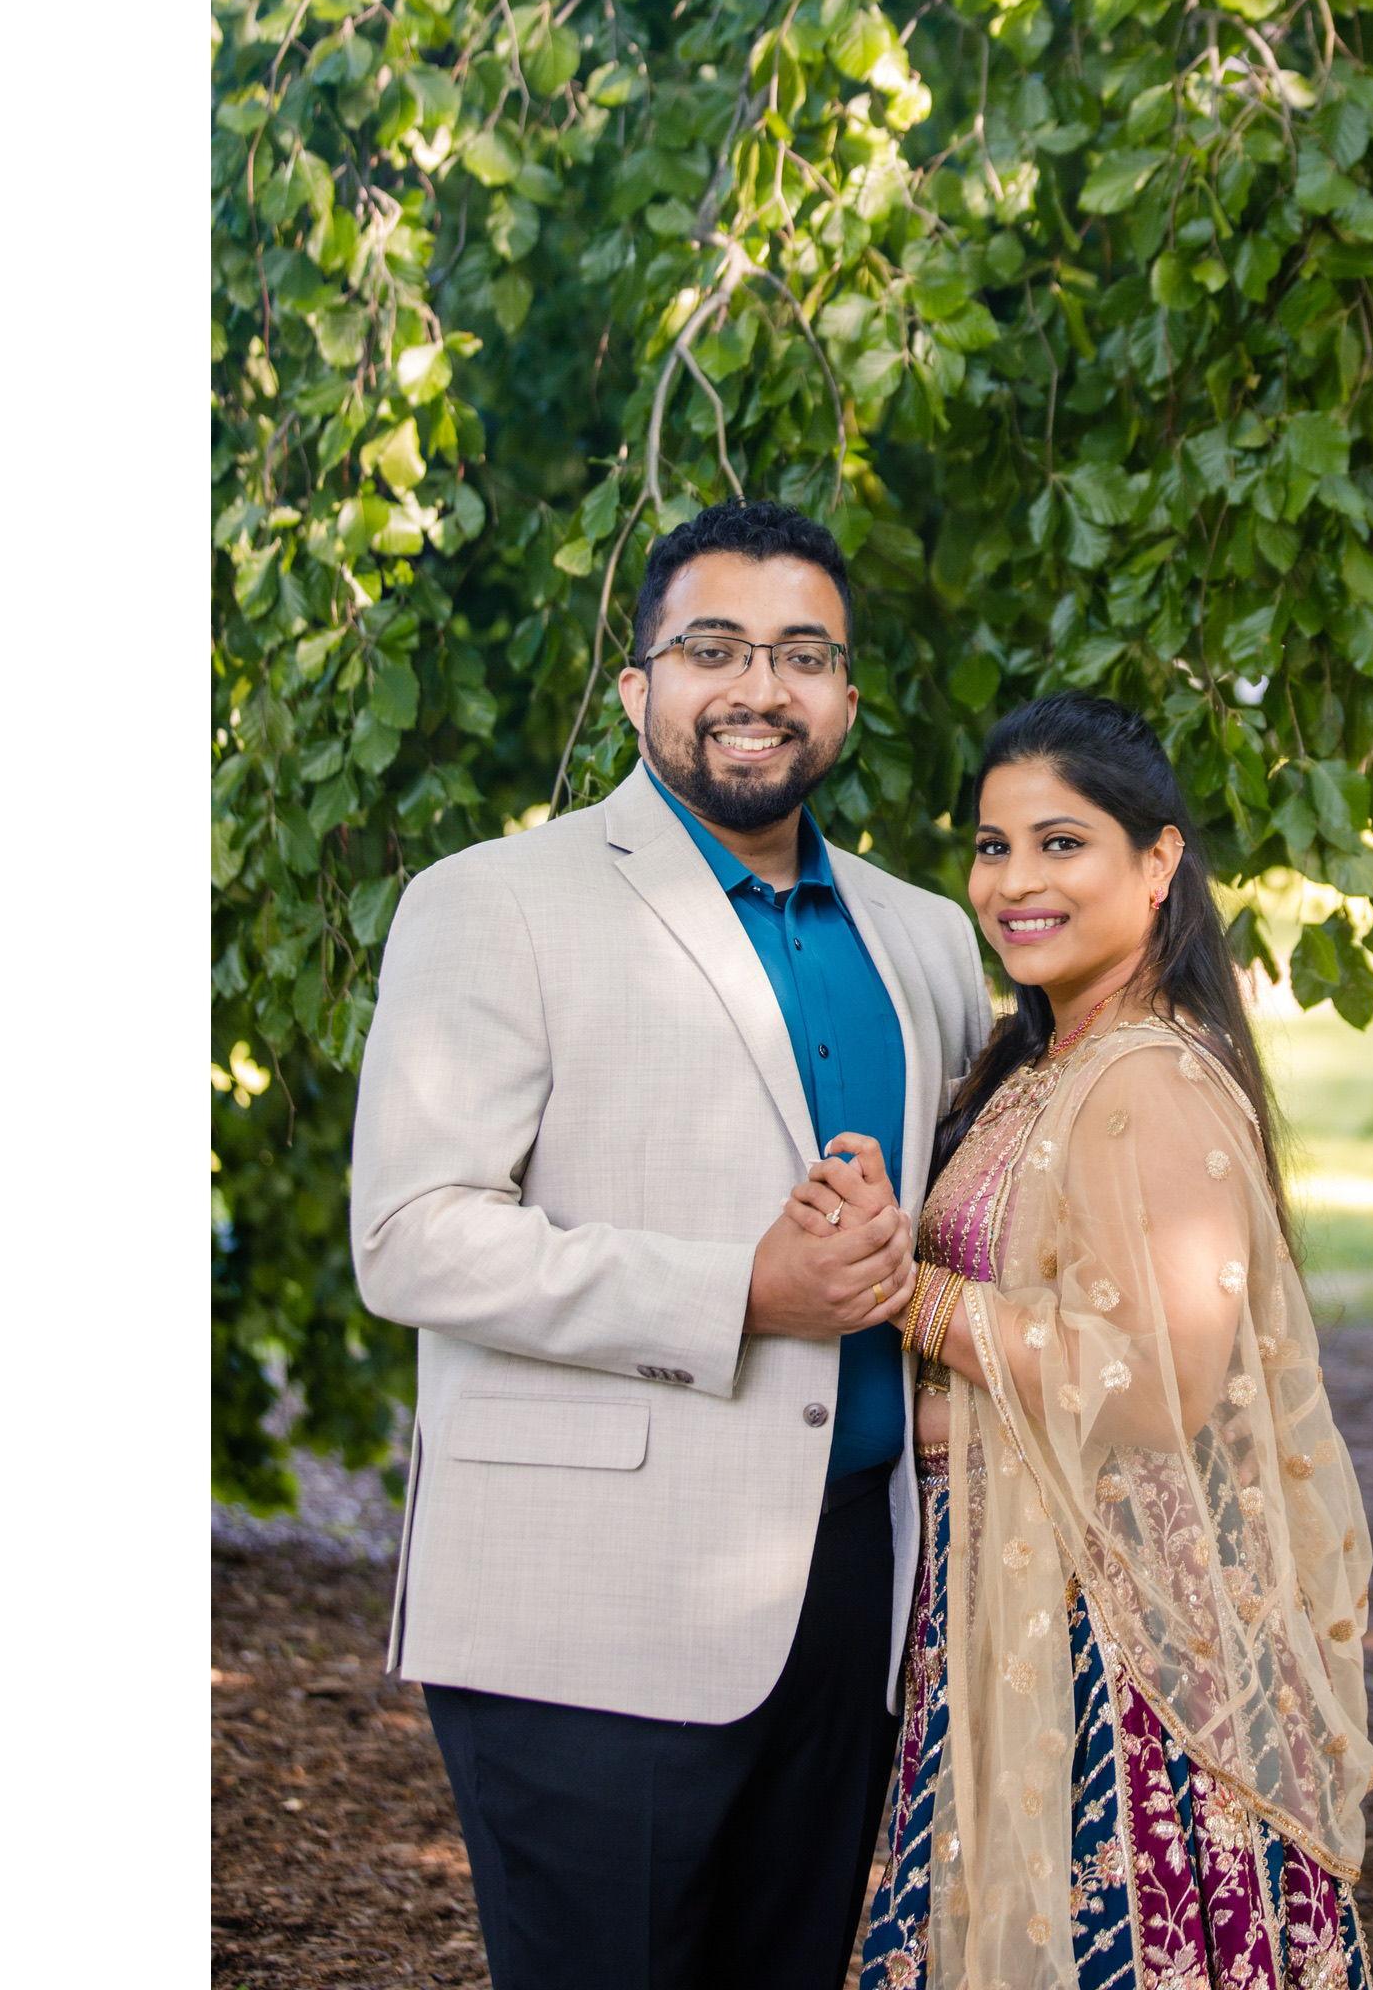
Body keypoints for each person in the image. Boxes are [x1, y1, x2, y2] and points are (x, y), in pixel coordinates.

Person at [349, 499, 994, 1990]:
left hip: (848, 1601)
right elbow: (414, 1238)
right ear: (639, 686)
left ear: (845, 696)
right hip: (585, 1608)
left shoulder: (926, 940)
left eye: (803, 653)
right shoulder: (492, 903)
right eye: (713, 647)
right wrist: (745, 1293)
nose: (759, 686)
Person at [832, 691, 1373, 1990]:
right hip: (1008, 1625)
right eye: (991, 845)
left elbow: (1156, 1382)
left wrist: (907, 1298)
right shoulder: (1034, 1067)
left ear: (1159, 862)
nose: (1015, 881)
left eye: (1061, 843)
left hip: (1124, 1671)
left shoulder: (1146, 1083)